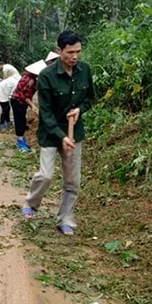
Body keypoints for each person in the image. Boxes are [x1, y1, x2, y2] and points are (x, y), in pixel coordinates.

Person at [21, 31, 94, 236]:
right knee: (45, 175)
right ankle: (31, 202)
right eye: (70, 52)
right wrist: (61, 136)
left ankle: (65, 218)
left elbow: (89, 98)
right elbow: (46, 112)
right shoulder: (47, 76)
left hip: (75, 134)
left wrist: (80, 109)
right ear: (59, 51)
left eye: (78, 52)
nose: (75, 56)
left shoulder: (85, 70)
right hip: (51, 134)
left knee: (72, 180)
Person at [10, 60, 45, 152]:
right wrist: (33, 106)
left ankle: (23, 140)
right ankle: (20, 143)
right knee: (19, 121)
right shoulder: (30, 80)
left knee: (22, 121)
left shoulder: (27, 76)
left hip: (20, 102)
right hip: (18, 102)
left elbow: (28, 95)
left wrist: (31, 105)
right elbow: (24, 96)